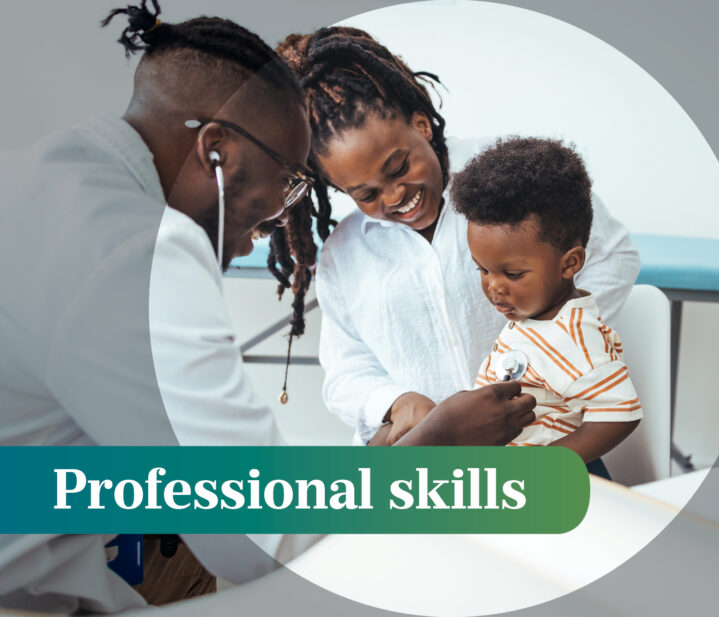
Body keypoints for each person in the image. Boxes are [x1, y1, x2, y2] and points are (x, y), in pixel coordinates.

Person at [0, 3, 534, 612]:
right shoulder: (137, 252)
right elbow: (263, 538)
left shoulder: (30, 179)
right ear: (217, 152)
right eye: (284, 179)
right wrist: (431, 451)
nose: (274, 220)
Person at [273, 27, 641, 447]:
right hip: (434, 458)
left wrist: (552, 348)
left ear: (421, 124)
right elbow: (345, 371)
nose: (394, 197)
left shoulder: (514, 177)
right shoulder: (345, 254)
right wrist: (396, 402)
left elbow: (613, 257)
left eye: (398, 168)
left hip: (539, 441)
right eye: (366, 194)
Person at [451, 137, 642, 479]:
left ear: (570, 264)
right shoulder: (534, 315)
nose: (493, 286)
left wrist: (545, 465)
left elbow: (620, 414)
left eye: (513, 274)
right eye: (483, 270)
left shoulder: (571, 336)